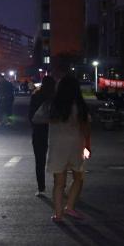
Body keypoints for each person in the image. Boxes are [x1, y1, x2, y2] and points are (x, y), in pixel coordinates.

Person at [33, 76, 91, 222]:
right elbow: (86, 126)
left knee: (59, 182)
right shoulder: (79, 105)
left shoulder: (52, 105)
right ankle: (70, 207)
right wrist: (88, 145)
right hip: (76, 145)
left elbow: (36, 118)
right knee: (78, 177)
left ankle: (58, 214)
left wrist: (52, 120)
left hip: (57, 146)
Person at [28, 76, 55, 197]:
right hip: (55, 131)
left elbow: (31, 116)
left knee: (40, 160)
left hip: (39, 131)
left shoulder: (36, 96)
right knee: (57, 160)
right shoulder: (56, 97)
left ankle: (41, 188)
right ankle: (59, 185)